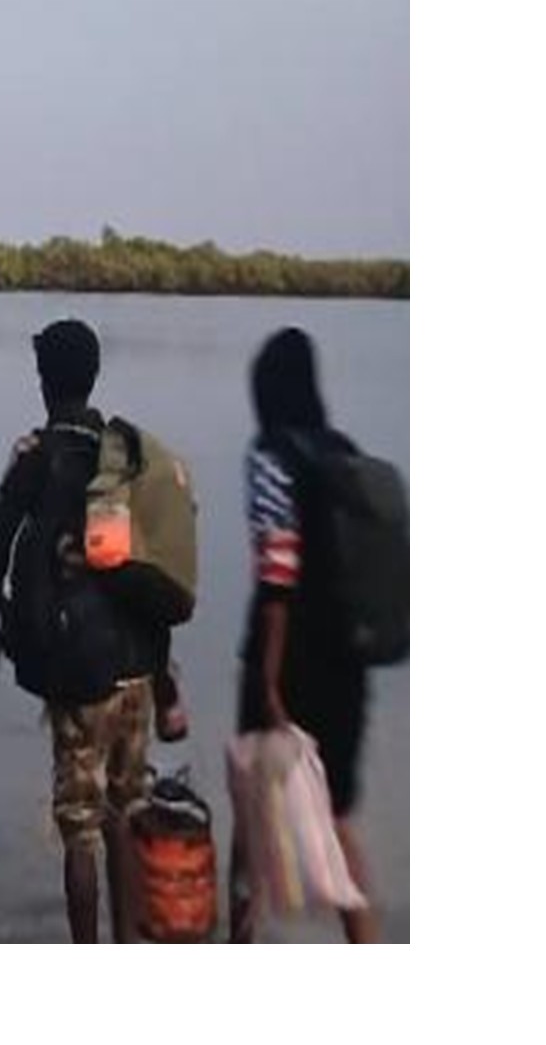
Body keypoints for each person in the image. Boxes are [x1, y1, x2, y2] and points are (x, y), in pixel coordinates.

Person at [0, 320, 184, 943]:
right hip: (137, 668)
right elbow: (153, 570)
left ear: (44, 382)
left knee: (81, 826)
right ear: (92, 377)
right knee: (125, 812)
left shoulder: (38, 458)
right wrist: (165, 679)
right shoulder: (122, 457)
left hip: (81, 676)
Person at [231, 327, 383, 944]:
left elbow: (277, 573)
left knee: (252, 811)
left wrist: (268, 678)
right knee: (335, 816)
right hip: (350, 661)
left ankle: (240, 942)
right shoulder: (342, 451)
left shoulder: (270, 455)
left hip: (289, 664)